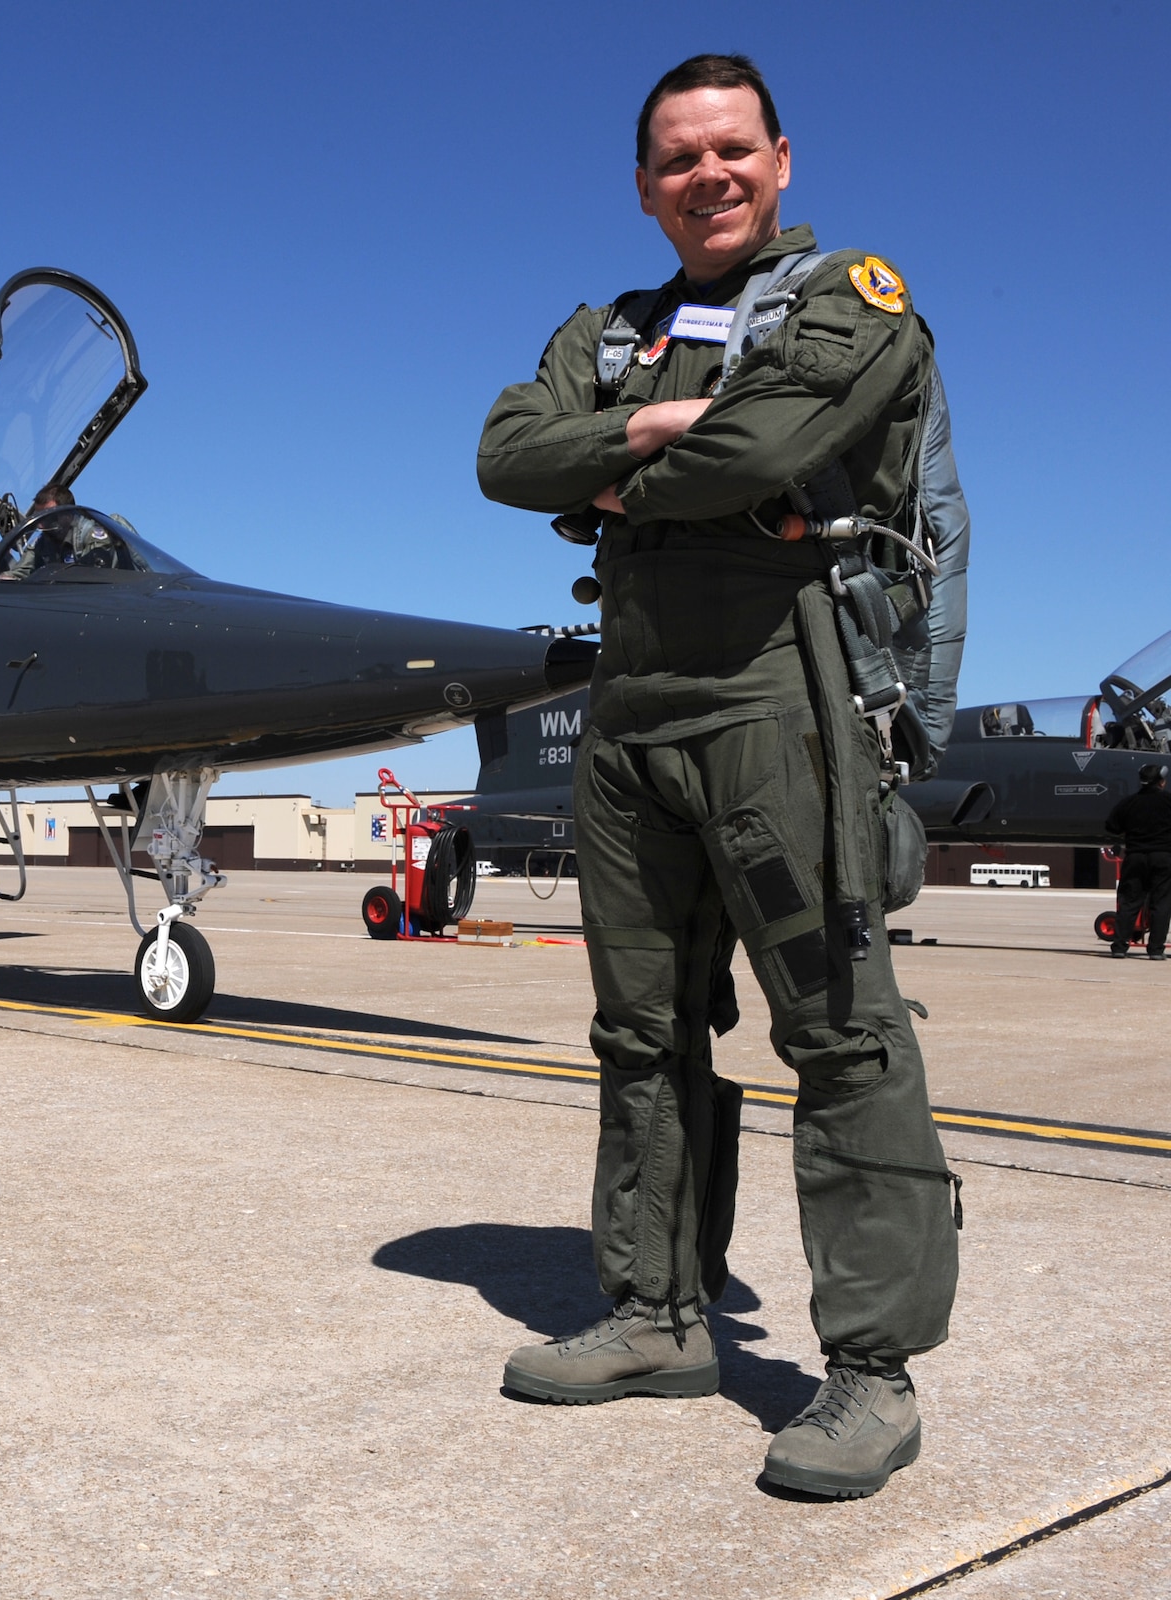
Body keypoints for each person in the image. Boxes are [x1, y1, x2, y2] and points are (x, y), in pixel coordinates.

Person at [475, 54, 964, 1499]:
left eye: (732, 150)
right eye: (679, 160)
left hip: (782, 694)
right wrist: (647, 429)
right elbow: (507, 453)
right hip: (630, 714)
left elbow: (776, 438)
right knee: (642, 1034)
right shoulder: (610, 329)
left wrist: (618, 469)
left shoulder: (850, 299)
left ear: (783, 159)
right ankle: (656, 1313)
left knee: (840, 1031)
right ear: (645, 186)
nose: (710, 177)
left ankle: (870, 1373)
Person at [1105, 764, 1171, 958]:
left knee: (1130, 902)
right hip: (1164, 857)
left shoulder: (1128, 803)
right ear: (1162, 781)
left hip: (1135, 857)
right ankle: (1156, 950)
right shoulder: (1169, 801)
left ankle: (1119, 947)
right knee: (1161, 903)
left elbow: (1112, 827)